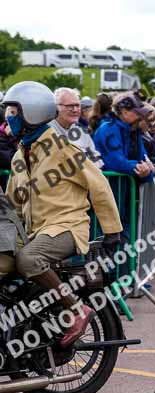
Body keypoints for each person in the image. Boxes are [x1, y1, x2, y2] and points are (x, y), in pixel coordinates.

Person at [2, 81, 123, 347]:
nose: (8, 117)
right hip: (37, 232)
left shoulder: (61, 148)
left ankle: (76, 310)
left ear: (32, 112)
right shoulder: (20, 156)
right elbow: (12, 203)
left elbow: (99, 185)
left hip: (67, 227)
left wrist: (112, 230)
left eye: (13, 111)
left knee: (29, 259)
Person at [93, 92, 154, 183]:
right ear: (124, 112)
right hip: (110, 190)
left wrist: (147, 172)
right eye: (138, 113)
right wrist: (139, 168)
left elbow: (145, 161)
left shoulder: (134, 130)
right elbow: (116, 162)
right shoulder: (107, 129)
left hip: (126, 191)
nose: (141, 117)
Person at [50, 88, 103, 169]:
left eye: (77, 105)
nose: (75, 110)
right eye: (70, 106)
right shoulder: (45, 131)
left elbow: (96, 160)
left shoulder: (82, 132)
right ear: (56, 107)